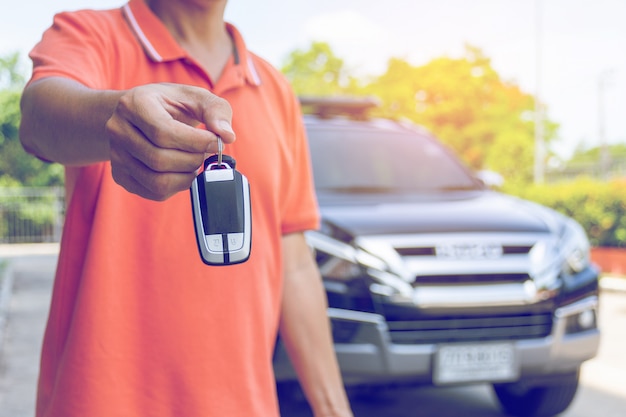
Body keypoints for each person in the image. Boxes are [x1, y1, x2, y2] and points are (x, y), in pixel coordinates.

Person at [19, 1, 353, 416]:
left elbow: (295, 261)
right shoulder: (90, 33)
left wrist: (333, 408)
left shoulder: (274, 87)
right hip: (100, 401)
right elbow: (37, 120)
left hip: (244, 404)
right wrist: (113, 119)